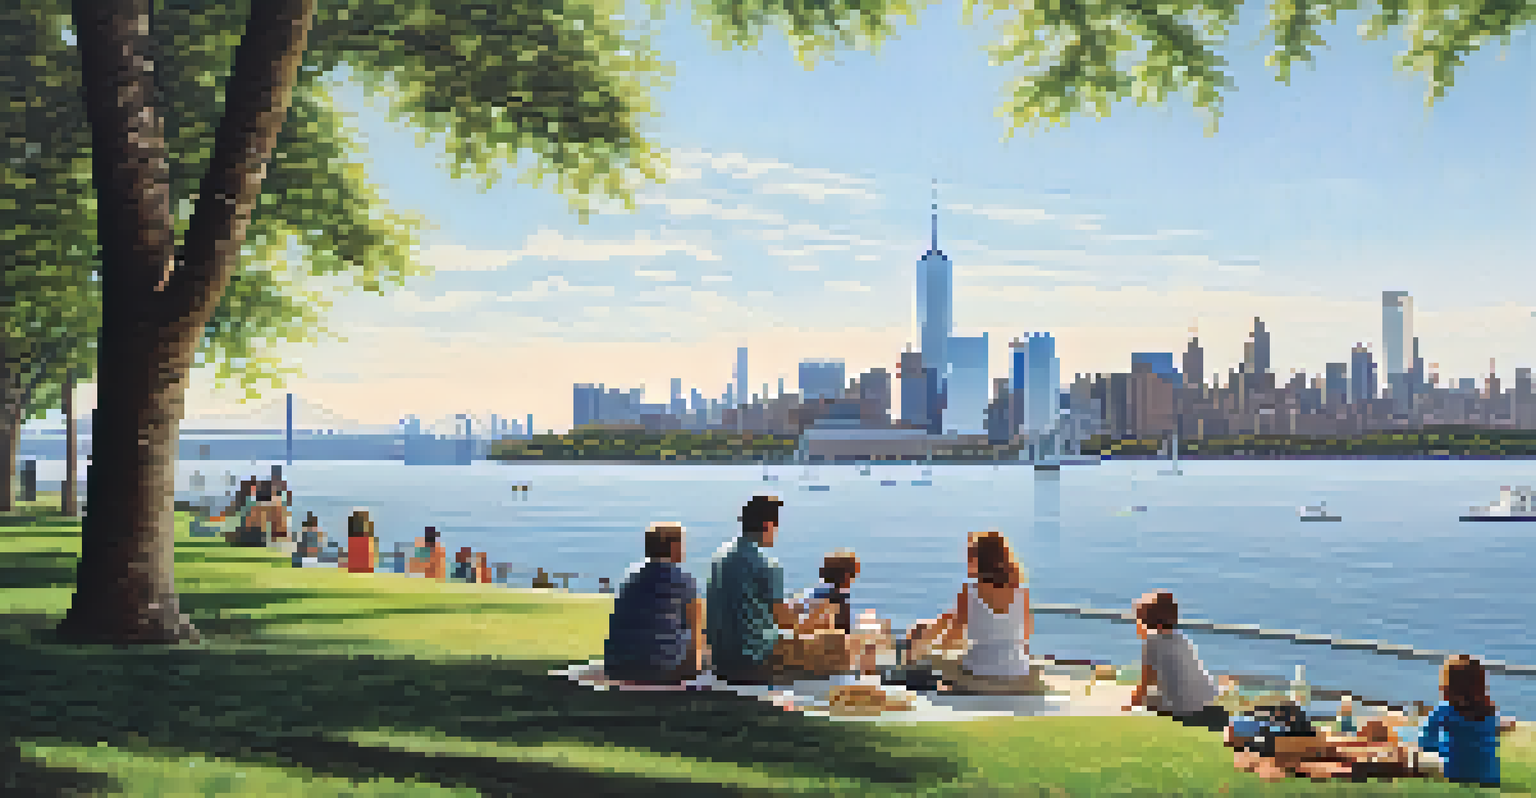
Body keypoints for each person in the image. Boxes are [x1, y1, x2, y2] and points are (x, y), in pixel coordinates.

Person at [908, 531, 1043, 694]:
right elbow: (1026, 634)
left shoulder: (969, 592)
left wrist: (930, 644)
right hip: (1017, 668)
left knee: (930, 664)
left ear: (978, 560)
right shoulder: (1022, 592)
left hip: (981, 669)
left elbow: (952, 639)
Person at [705, 495, 796, 685]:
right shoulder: (766, 565)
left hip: (720, 656)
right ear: (767, 525)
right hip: (754, 659)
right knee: (828, 644)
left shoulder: (719, 557)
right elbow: (786, 623)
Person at [603, 522, 705, 684]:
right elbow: (695, 628)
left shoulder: (632, 575)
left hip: (619, 664)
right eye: (681, 543)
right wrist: (694, 669)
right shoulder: (682, 579)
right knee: (702, 637)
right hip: (660, 667)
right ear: (673, 547)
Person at [1126, 590, 1228, 731]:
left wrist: (1130, 705)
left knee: (1148, 700)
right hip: (1206, 700)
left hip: (1183, 708)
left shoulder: (1152, 643)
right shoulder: (1181, 638)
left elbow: (1145, 683)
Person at [1417, 654, 1516, 788]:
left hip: (1455, 773)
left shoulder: (1444, 710)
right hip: (1489, 776)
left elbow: (1426, 741)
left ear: (1447, 686)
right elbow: (1485, 731)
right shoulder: (1489, 711)